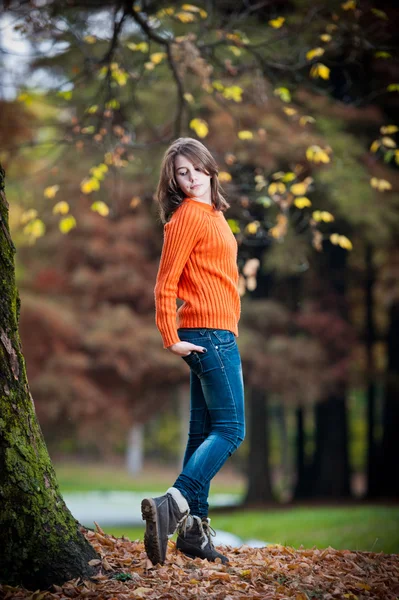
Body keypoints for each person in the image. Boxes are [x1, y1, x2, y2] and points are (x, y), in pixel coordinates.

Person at [141, 137, 245, 566]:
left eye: (197, 169)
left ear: (209, 168)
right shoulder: (186, 217)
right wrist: (170, 335)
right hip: (209, 334)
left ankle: (193, 534)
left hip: (217, 331)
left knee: (202, 433)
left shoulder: (214, 214)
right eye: (182, 174)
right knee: (232, 429)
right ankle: (174, 503)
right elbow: (165, 283)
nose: (192, 178)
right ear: (175, 181)